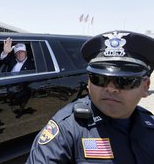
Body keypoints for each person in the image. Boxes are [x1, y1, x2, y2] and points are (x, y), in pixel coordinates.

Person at [26, 30, 154, 163]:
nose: (110, 88)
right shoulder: (67, 130)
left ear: (146, 87)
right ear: (88, 82)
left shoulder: (150, 125)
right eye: (99, 78)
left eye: (124, 81)